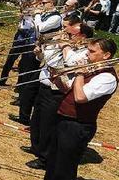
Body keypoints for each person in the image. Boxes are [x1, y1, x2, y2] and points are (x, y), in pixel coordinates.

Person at [28, 38, 117, 180]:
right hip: (64, 118)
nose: (87, 54)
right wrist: (58, 80)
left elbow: (80, 97)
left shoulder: (107, 77)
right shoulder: (91, 70)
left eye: (92, 52)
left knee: (65, 164)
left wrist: (80, 74)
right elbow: (68, 89)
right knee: (54, 156)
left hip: (79, 125)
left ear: (106, 55)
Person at [25, 17, 93, 170]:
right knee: (37, 120)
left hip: (57, 91)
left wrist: (65, 46)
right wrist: (40, 53)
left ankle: (44, 158)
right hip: (44, 85)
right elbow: (48, 61)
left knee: (48, 125)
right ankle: (36, 147)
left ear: (82, 36)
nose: (66, 36)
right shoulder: (63, 46)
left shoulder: (84, 52)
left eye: (70, 34)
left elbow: (70, 62)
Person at [12, 0, 62, 125]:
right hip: (35, 45)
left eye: (44, 3)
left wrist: (37, 14)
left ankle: (24, 110)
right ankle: (22, 108)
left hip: (46, 51)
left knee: (29, 77)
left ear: (51, 3)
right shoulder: (44, 14)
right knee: (23, 69)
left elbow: (41, 28)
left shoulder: (56, 17)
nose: (41, 5)